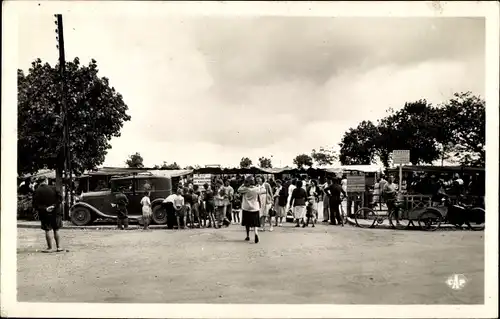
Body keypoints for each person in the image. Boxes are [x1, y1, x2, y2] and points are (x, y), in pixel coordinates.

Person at [32, 182, 64, 252]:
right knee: (56, 229)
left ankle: (50, 248)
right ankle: (59, 247)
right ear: (46, 181)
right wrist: (54, 206)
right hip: (55, 212)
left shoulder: (37, 191)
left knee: (47, 230)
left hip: (45, 213)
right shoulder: (54, 188)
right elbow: (60, 199)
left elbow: (35, 205)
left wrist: (45, 208)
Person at [238, 176, 261, 243]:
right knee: (255, 223)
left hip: (246, 207)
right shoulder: (257, 189)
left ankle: (247, 236)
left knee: (247, 223)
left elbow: (239, 189)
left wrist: (243, 184)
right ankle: (256, 233)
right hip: (255, 207)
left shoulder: (245, 189)